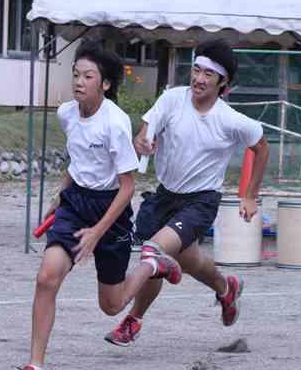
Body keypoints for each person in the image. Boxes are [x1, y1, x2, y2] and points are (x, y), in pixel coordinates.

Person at [5, 40, 183, 370]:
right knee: (46, 277)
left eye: (88, 76)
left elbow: (127, 187)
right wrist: (60, 196)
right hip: (76, 205)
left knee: (112, 306)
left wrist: (97, 232)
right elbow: (79, 161)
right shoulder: (66, 113)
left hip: (111, 211)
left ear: (105, 83)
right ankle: (35, 369)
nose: (79, 81)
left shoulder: (115, 122)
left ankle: (152, 264)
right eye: (76, 74)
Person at [105, 38, 269, 347]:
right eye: (196, 70)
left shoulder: (230, 120)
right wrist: (143, 142)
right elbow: (144, 132)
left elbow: (261, 147)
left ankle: (132, 319)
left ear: (223, 82)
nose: (199, 79)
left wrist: (250, 195)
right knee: (191, 261)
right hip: (165, 196)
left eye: (208, 74)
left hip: (200, 201)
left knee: (153, 251)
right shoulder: (172, 99)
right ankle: (226, 289)